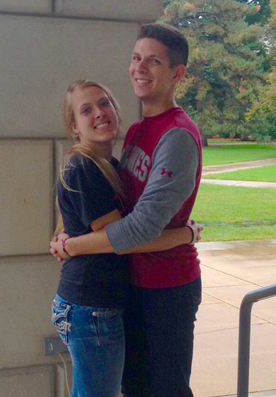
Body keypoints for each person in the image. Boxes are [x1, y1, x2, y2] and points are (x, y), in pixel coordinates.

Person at [52, 79, 202, 397]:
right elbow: (128, 238)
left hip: (98, 304)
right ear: (74, 126)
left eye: (104, 103)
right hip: (91, 306)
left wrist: (68, 242)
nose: (99, 113)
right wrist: (186, 234)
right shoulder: (83, 168)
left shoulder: (109, 166)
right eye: (86, 109)